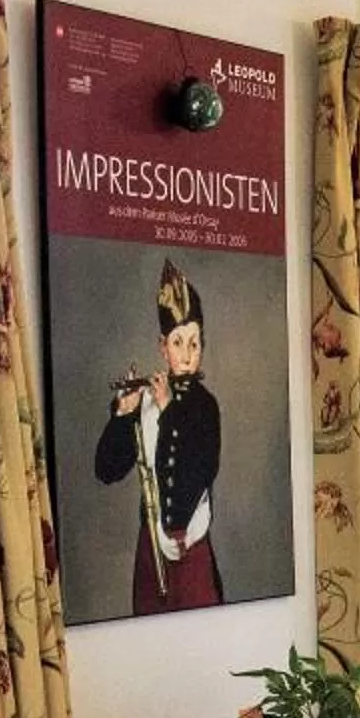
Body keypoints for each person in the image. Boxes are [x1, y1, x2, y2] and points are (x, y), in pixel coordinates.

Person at [93, 258, 223, 612]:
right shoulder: (146, 399)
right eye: (178, 343)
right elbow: (107, 470)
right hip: (151, 548)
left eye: (195, 344)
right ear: (161, 346)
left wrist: (168, 412)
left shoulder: (205, 406)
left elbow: (196, 473)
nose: (186, 354)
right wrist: (124, 413)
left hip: (193, 546)